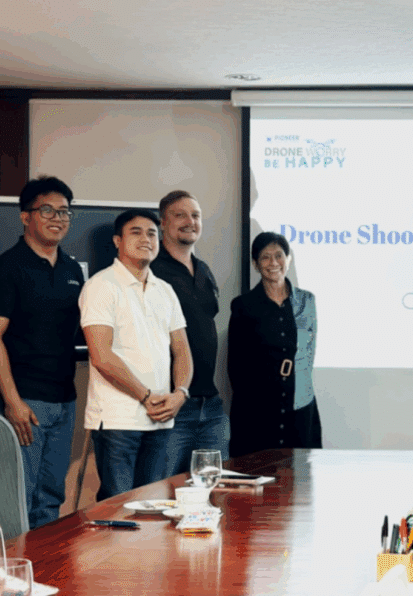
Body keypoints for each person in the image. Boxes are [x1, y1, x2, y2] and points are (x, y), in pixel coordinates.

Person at [0, 176, 86, 529]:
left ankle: (41, 564)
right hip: (23, 402)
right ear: (26, 216)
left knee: (50, 498)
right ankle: (13, 565)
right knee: (16, 500)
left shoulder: (72, 269)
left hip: (64, 401)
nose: (58, 218)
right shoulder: (6, 269)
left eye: (64, 212)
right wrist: (12, 400)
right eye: (47, 210)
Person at [79, 208, 192, 500]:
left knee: (154, 504)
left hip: (161, 418)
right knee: (119, 507)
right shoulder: (101, 286)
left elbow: (182, 350)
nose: (146, 239)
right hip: (118, 420)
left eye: (152, 233)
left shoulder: (165, 290)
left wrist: (180, 393)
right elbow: (101, 355)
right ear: (118, 241)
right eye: (136, 232)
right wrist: (145, 396)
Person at [151, 190, 229, 475]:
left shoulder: (203, 269)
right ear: (163, 222)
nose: (190, 221)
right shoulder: (152, 269)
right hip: (172, 407)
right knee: (165, 490)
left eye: (195, 215)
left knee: (215, 489)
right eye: (180, 215)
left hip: (211, 405)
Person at [228, 232, 321, 456]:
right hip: (258, 409)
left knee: (300, 471)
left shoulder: (306, 301)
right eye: (265, 257)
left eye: (279, 255)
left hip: (299, 405)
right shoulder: (244, 305)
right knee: (259, 470)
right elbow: (236, 366)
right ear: (255, 264)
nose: (273, 263)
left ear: (288, 259)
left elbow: (309, 354)